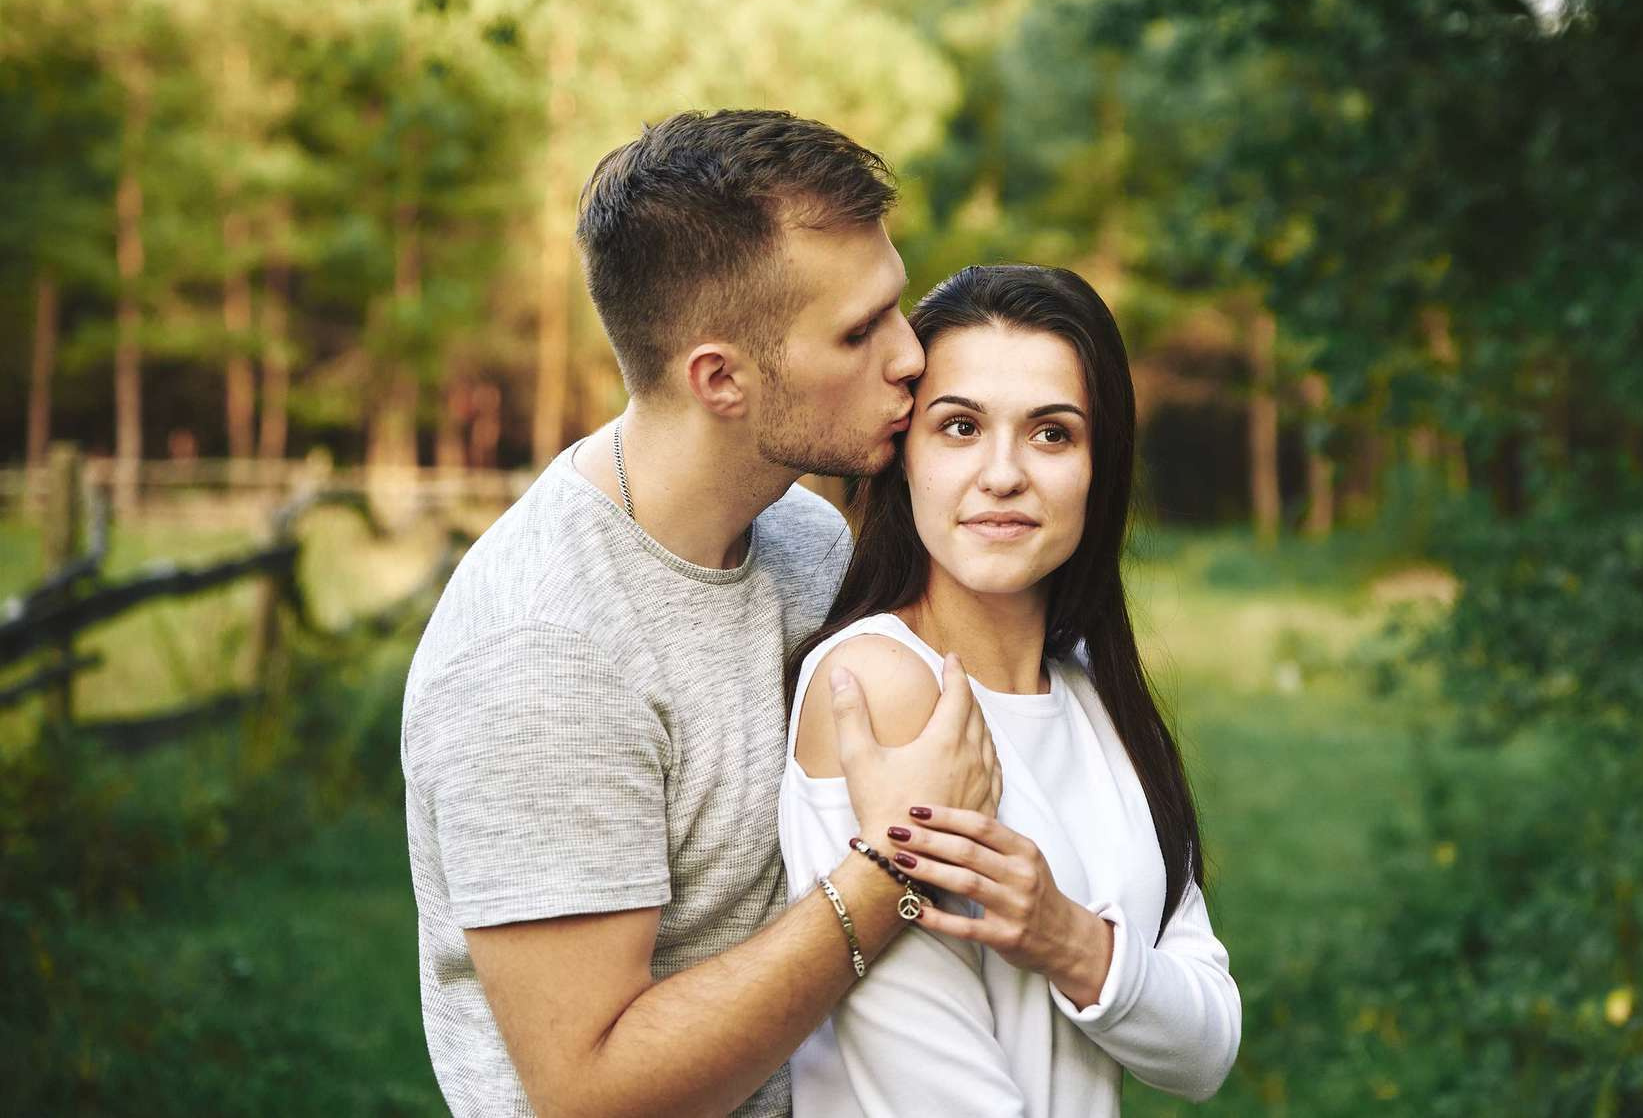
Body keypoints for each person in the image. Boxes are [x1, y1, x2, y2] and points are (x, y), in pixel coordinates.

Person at [400, 110, 1011, 1116]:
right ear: (719, 378)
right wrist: (894, 864)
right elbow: (591, 1093)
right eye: (858, 333)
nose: (911, 357)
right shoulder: (542, 655)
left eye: (894, 308)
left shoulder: (807, 541)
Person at [779, 265, 1243, 1115]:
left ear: (1100, 467)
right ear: (903, 455)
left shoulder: (1096, 696)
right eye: (959, 427)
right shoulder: (883, 685)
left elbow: (1207, 1044)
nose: (1003, 473)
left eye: (1052, 434)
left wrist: (1066, 937)